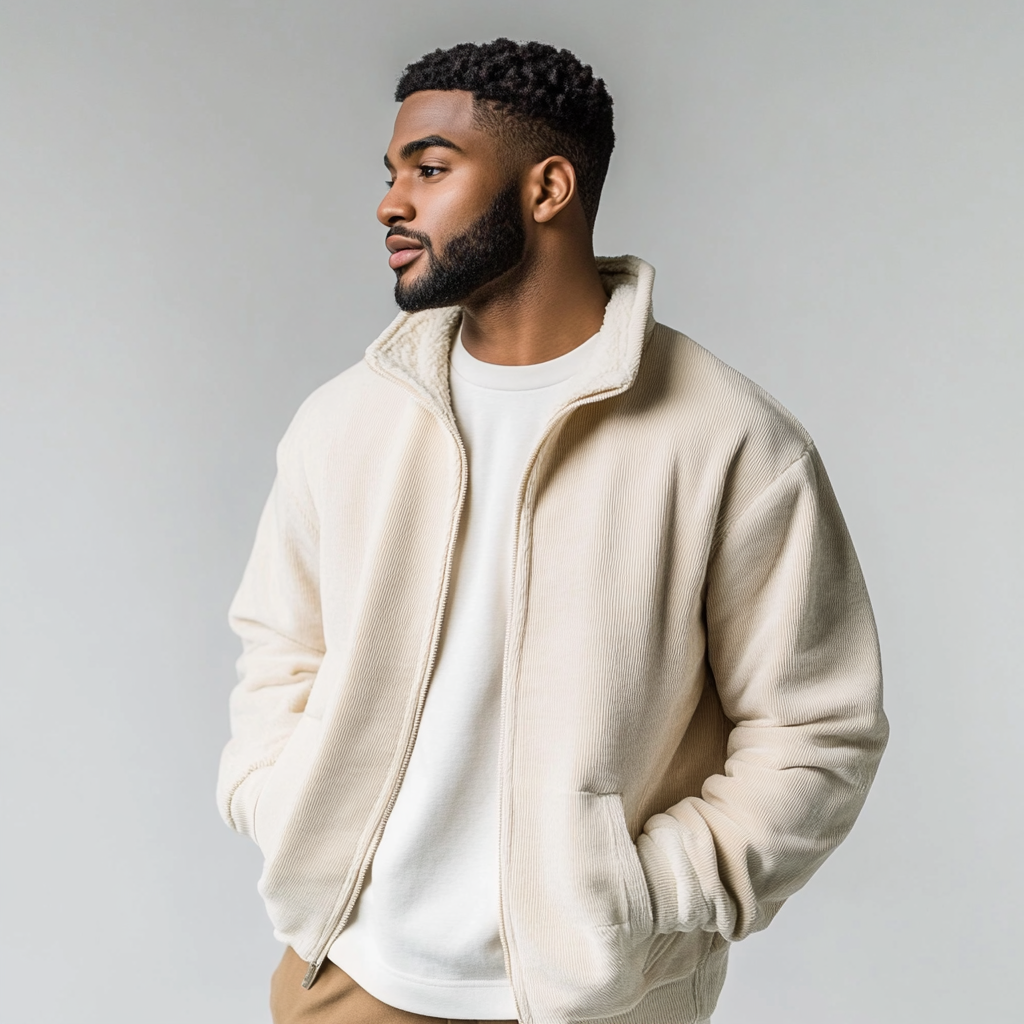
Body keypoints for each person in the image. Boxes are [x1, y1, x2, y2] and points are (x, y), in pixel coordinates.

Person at [217, 38, 889, 1024]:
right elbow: (278, 662)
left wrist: (641, 895)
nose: (389, 203)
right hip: (352, 974)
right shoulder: (343, 422)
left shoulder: (728, 439)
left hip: (595, 995)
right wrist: (288, 808)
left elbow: (816, 730)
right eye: (393, 171)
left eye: (431, 169)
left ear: (548, 189)